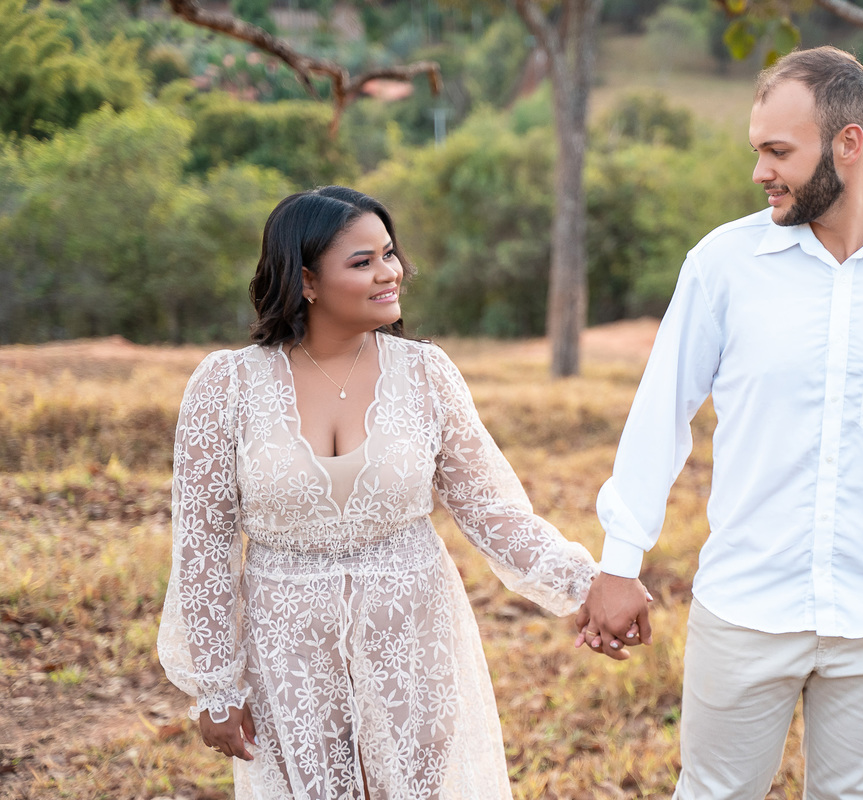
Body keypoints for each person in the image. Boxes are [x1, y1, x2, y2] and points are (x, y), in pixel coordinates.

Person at [575, 46, 863, 799]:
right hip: (746, 605)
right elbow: (662, 409)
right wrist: (620, 558)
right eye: (758, 150)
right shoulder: (722, 265)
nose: (760, 171)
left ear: (848, 144)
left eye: (778, 151)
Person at [157, 186, 601, 799]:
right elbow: (203, 547)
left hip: (411, 632)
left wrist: (585, 584)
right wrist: (216, 686)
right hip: (287, 645)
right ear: (306, 280)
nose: (390, 273)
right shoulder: (226, 386)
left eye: (388, 254)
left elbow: (491, 510)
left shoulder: (425, 374)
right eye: (362, 262)